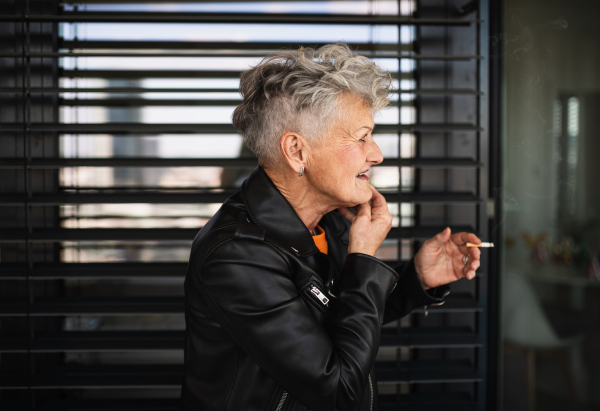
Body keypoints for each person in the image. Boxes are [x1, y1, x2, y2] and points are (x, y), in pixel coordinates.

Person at [181, 43, 481, 411]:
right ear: (297, 151)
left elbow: (338, 316)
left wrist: (416, 279)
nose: (376, 153)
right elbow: (339, 389)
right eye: (361, 137)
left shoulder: (326, 220)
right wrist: (363, 259)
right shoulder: (235, 255)